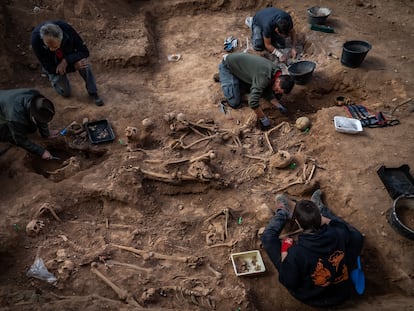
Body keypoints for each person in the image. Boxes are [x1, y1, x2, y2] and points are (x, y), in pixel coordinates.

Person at [261, 190, 364, 307]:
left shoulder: (296, 252)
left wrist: (285, 251)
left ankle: (282, 212)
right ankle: (321, 208)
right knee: (355, 236)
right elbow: (351, 234)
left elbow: (288, 281)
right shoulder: (339, 232)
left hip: (313, 298)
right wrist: (320, 218)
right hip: (342, 291)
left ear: (298, 224)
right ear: (321, 219)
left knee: (268, 237)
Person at [30, 20, 104, 106]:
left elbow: (84, 52)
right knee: (65, 93)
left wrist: (66, 60)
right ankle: (50, 76)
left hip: (67, 54)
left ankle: (93, 92)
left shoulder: (67, 30)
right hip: (53, 63)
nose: (51, 49)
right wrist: (73, 68)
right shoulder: (35, 41)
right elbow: (50, 68)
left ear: (61, 37)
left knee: (84, 64)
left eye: (55, 46)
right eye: (48, 46)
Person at [217, 52, 295, 130]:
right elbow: (253, 102)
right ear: (278, 81)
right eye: (277, 89)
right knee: (234, 102)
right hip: (228, 66)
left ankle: (235, 80)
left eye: (279, 91)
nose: (276, 92)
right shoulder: (264, 77)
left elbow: (267, 88)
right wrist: (263, 119)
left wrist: (278, 105)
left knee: (259, 88)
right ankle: (224, 76)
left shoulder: (277, 72)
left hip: (244, 69)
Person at [0, 88, 57, 160]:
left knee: (31, 128)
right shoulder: (15, 115)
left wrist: (46, 134)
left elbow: (40, 116)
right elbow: (20, 139)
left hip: (5, 101)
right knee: (11, 135)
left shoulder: (37, 98)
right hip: (5, 112)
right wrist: (41, 152)